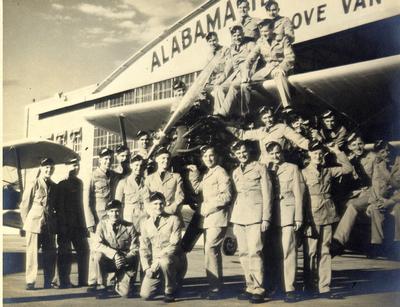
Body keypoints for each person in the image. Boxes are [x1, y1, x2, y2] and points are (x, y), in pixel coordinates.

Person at [302, 141, 352, 299]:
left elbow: (348, 169)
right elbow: (302, 198)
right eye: (314, 153)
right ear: (309, 154)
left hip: (328, 214)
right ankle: (309, 287)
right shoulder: (303, 173)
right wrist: (305, 220)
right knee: (310, 253)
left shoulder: (328, 171)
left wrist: (337, 151)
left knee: (324, 252)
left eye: (320, 153)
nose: (318, 156)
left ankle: (324, 287)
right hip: (312, 216)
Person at [186, 145, 233, 299]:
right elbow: (198, 189)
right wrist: (194, 174)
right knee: (211, 252)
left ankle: (216, 289)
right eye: (205, 156)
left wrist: (207, 207)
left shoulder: (220, 172)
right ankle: (215, 286)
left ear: (217, 156)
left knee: (211, 250)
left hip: (217, 217)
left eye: (211, 155)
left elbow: (226, 196)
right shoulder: (208, 173)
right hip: (209, 219)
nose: (208, 158)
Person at [230, 141, 273, 304]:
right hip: (239, 216)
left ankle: (259, 288)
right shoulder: (235, 172)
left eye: (243, 151)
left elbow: (267, 194)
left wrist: (266, 218)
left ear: (249, 151)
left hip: (256, 215)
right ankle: (249, 286)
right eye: (238, 153)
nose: (241, 155)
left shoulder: (260, 168)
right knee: (243, 253)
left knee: (255, 252)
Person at [265, 142, 304, 303]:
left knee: (288, 252)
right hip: (271, 216)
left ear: (282, 152)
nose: (275, 156)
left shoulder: (292, 168)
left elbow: (299, 194)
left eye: (277, 152)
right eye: (272, 153)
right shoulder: (267, 168)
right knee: (274, 253)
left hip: (288, 214)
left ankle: (290, 288)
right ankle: (277, 287)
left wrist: (299, 217)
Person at [331, 133, 376, 256]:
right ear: (349, 147)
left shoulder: (373, 158)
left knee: (353, 206)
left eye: (360, 144)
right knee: (340, 206)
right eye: (354, 145)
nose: (358, 147)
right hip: (357, 193)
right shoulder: (350, 160)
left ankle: (338, 242)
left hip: (372, 192)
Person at [20, 158, 57, 290]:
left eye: (51, 167)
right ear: (41, 168)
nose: (49, 170)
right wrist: (26, 223)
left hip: (48, 225)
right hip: (34, 223)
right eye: (46, 167)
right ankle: (30, 281)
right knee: (32, 254)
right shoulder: (34, 183)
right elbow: (25, 205)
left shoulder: (53, 185)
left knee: (50, 253)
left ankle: (49, 281)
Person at [139, 192, 184, 303]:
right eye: (155, 204)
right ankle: (163, 283)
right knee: (145, 295)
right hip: (155, 264)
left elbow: (173, 245)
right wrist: (146, 268)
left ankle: (169, 291)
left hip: (174, 260)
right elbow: (144, 247)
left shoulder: (174, 220)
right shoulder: (145, 224)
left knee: (165, 261)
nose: (158, 207)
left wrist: (157, 262)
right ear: (149, 205)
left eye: (161, 203)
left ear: (165, 204)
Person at [227, 106, 309, 164]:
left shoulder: (282, 128)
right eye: (265, 118)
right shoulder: (260, 131)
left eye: (270, 117)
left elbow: (300, 141)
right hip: (265, 165)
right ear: (261, 119)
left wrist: (314, 147)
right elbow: (242, 134)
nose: (268, 120)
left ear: (273, 117)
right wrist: (225, 126)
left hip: (279, 163)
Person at [86, 148, 118, 291]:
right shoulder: (93, 176)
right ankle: (93, 281)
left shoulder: (113, 175)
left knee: (111, 246)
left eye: (110, 159)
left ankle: (109, 281)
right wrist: (90, 221)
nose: (107, 161)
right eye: (105, 159)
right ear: (100, 160)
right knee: (95, 249)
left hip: (110, 218)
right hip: (98, 217)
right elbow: (86, 201)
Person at [93, 200, 139, 299]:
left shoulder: (129, 226)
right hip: (109, 260)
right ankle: (101, 285)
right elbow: (97, 244)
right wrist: (114, 254)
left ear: (121, 211)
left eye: (117, 211)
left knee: (125, 294)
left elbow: (135, 248)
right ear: (107, 212)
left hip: (124, 262)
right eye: (112, 211)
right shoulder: (102, 225)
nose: (115, 214)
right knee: (97, 256)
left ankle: (119, 282)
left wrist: (125, 259)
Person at [243, 20, 295, 107]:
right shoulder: (260, 42)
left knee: (278, 75)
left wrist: (282, 68)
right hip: (268, 70)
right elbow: (250, 59)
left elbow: (290, 57)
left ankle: (287, 107)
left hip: (281, 68)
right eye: (262, 32)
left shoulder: (283, 39)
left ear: (272, 29)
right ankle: (247, 112)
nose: (264, 34)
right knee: (246, 84)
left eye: (266, 31)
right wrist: (246, 73)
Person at [56, 158, 89, 288]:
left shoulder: (79, 183)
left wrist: (84, 225)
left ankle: (83, 281)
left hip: (78, 225)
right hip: (65, 225)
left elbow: (80, 206)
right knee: (65, 253)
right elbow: (60, 207)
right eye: (73, 165)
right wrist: (63, 226)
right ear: (67, 166)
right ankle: (64, 282)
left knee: (84, 250)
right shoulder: (61, 184)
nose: (76, 168)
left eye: (77, 165)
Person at [211, 25, 255, 118]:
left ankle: (223, 114)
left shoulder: (250, 44)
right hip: (236, 74)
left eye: (239, 35)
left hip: (247, 72)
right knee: (220, 87)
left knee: (234, 85)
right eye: (234, 35)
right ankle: (217, 114)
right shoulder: (232, 48)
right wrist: (221, 78)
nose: (237, 37)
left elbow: (255, 59)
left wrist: (250, 73)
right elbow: (229, 65)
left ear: (243, 34)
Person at [367, 140, 400, 255]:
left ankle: (397, 243)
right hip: (386, 197)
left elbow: (397, 186)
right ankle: (377, 244)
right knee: (376, 208)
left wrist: (386, 173)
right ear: (377, 154)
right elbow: (375, 185)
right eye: (382, 152)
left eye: (388, 150)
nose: (386, 154)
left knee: (398, 208)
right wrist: (373, 201)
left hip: (396, 198)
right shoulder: (378, 164)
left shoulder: (398, 162)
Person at [115, 154, 146, 230]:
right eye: (136, 165)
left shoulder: (147, 182)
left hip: (144, 218)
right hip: (129, 220)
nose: (139, 168)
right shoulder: (123, 182)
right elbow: (117, 204)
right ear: (131, 166)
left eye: (141, 165)